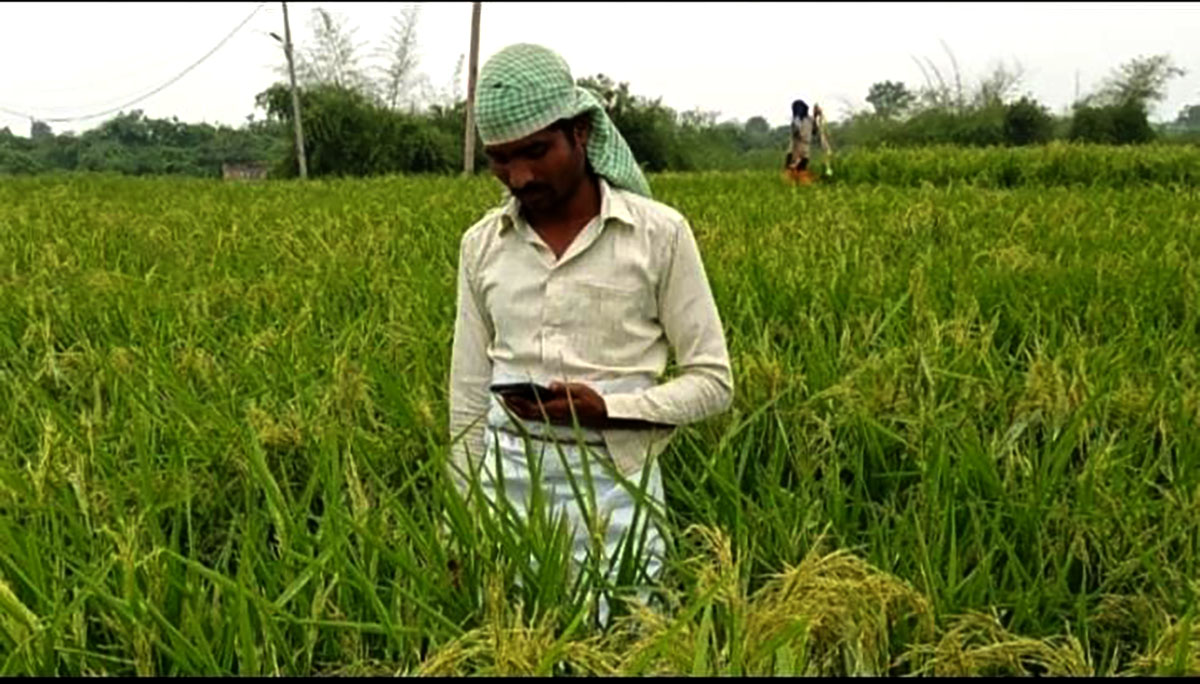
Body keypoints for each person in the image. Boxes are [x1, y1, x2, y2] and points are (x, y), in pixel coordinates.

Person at [448, 43, 734, 621]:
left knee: (626, 638)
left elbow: (714, 381)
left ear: (580, 132)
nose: (520, 176)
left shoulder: (658, 235)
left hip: (614, 488)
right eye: (501, 160)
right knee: (515, 640)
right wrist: (459, 529)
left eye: (536, 151)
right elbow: (467, 401)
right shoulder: (481, 246)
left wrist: (610, 408)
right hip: (505, 491)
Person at [785, 99, 832, 183]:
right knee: (790, 175)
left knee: (801, 174)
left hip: (805, 152)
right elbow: (796, 131)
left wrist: (816, 115)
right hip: (794, 152)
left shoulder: (809, 119)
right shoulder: (796, 120)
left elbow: (815, 131)